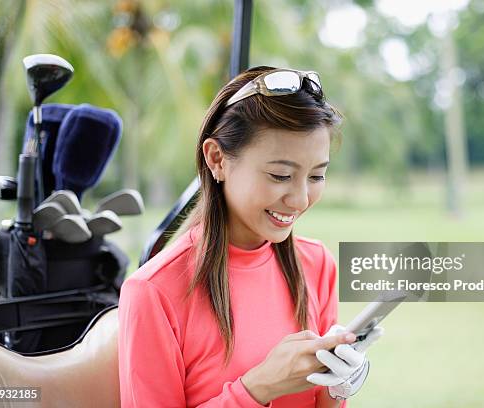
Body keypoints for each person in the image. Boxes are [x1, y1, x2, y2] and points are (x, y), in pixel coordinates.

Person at [118, 67, 384, 407]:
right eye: (281, 175)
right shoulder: (154, 292)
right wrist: (257, 388)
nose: (301, 199)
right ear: (217, 159)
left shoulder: (316, 264)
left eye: (317, 176)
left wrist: (337, 385)